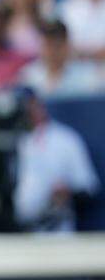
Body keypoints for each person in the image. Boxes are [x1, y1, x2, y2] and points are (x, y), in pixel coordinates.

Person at [14, 89, 100, 232]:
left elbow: (88, 187)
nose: (28, 111)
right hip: (16, 234)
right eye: (23, 107)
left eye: (31, 105)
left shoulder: (65, 139)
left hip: (56, 232)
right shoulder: (15, 141)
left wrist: (67, 192)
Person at [19, 21, 101, 96]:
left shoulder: (87, 78)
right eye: (48, 46)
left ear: (67, 46)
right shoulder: (29, 77)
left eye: (57, 46)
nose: (52, 52)